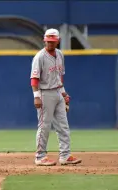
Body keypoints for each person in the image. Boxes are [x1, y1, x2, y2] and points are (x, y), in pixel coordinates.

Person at [30, 28, 82, 166]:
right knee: (44, 126)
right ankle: (40, 156)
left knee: (63, 126)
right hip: (44, 93)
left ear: (58, 41)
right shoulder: (40, 57)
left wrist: (64, 93)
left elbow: (59, 76)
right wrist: (36, 96)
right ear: (44, 41)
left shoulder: (60, 55)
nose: (50, 44)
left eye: (53, 41)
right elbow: (34, 79)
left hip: (58, 92)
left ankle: (65, 155)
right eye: (48, 41)